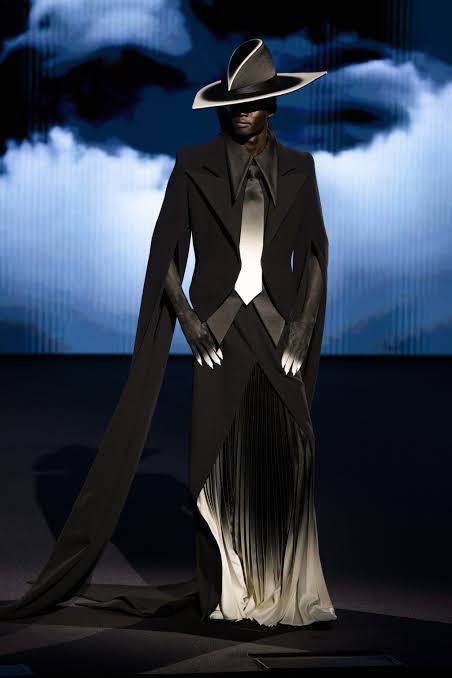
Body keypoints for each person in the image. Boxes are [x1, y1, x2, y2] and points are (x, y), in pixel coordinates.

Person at [0, 38, 337, 627]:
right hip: (218, 336)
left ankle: (286, 592)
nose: (243, 111)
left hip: (279, 330)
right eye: (233, 102)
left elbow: (314, 254)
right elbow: (165, 256)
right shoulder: (192, 165)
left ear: (272, 105)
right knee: (214, 463)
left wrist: (305, 324)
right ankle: (232, 593)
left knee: (289, 456)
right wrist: (188, 320)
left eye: (253, 101)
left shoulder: (300, 169)